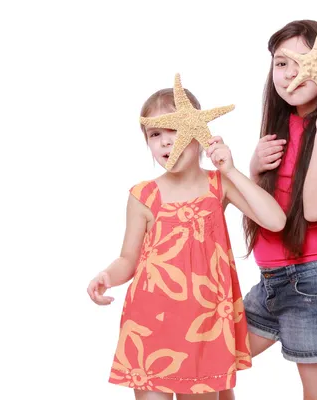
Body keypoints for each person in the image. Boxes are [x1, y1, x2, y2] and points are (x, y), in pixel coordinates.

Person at [87, 86, 286, 400]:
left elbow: (275, 220)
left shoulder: (219, 185)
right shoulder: (143, 196)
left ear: (199, 132)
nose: (166, 141)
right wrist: (107, 277)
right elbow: (129, 258)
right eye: (155, 134)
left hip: (205, 328)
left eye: (174, 129)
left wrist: (231, 169)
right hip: (151, 325)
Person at [222, 20, 317, 400]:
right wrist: (253, 170)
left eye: (303, 61)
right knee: (213, 362)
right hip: (271, 279)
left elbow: (316, 207)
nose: (290, 73)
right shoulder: (279, 125)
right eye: (281, 63)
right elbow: (265, 211)